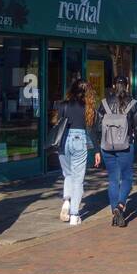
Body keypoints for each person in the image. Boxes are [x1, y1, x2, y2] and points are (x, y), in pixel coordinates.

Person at [94, 77, 137, 227]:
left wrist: (97, 149)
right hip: (126, 146)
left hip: (107, 147)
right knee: (127, 178)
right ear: (128, 86)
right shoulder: (133, 104)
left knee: (113, 179)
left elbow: (97, 128)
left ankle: (114, 213)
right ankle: (120, 206)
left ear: (112, 85)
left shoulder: (104, 103)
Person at [54, 77, 94, 225]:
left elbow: (57, 122)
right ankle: (74, 215)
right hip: (79, 140)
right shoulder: (88, 107)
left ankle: (66, 201)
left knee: (68, 174)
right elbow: (90, 128)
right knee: (78, 179)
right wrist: (96, 149)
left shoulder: (63, 105)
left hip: (64, 140)